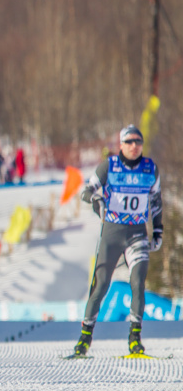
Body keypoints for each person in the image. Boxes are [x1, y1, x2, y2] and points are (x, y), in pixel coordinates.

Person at [73, 125, 164, 356]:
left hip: (137, 233)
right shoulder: (110, 166)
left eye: (138, 142)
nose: (134, 146)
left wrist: (158, 231)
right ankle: (85, 338)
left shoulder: (150, 168)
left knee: (137, 283)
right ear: (121, 144)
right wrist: (96, 200)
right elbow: (86, 191)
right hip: (112, 233)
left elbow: (156, 201)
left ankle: (135, 338)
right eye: (130, 142)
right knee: (101, 284)